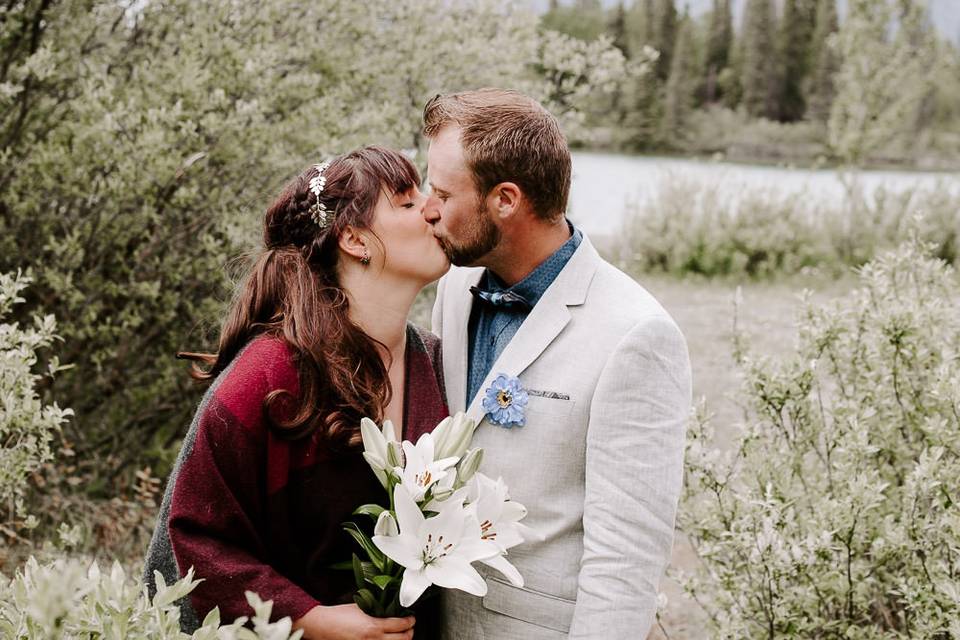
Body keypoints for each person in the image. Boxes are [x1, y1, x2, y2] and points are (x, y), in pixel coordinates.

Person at [143, 146, 449, 639]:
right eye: (408, 203)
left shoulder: (437, 364)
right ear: (354, 239)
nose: (435, 208)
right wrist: (311, 620)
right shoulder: (270, 376)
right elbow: (196, 539)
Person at [423, 89, 692, 639]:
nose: (428, 208)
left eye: (442, 192)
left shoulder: (636, 335)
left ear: (505, 200)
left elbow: (626, 562)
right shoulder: (455, 284)